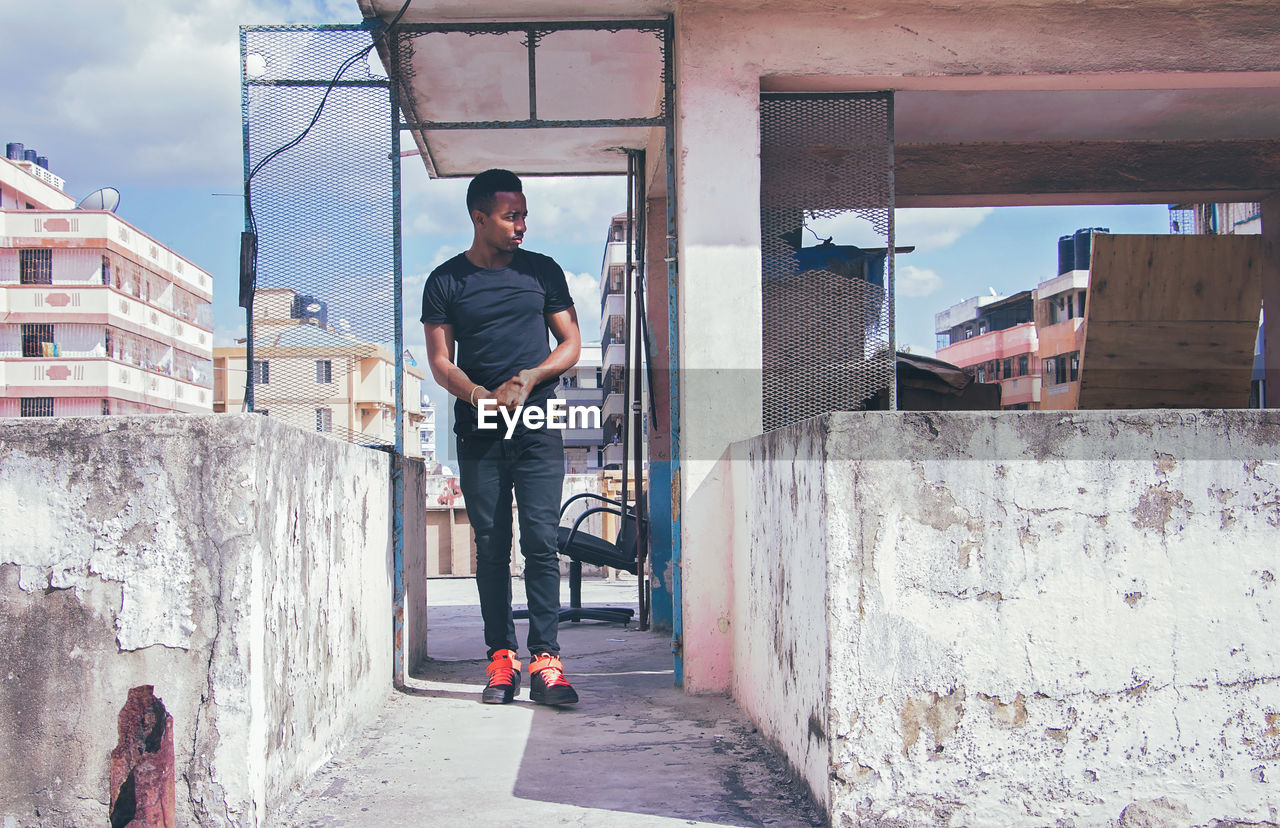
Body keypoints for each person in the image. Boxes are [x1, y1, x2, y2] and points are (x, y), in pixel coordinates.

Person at [421, 168, 582, 706]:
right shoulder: (445, 281)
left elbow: (571, 343)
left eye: (524, 215)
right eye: (511, 216)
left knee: (541, 541)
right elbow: (441, 362)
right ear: (480, 217)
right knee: (490, 546)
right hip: (480, 429)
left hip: (536, 425)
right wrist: (477, 396)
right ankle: (500, 660)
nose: (521, 226)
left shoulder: (541, 272)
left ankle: (545, 661)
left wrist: (532, 377)